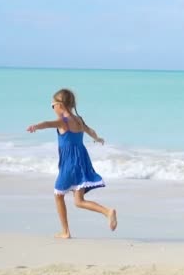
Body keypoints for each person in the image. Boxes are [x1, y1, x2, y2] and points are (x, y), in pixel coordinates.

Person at [27, 88, 117, 238]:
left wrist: (35, 126)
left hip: (69, 163)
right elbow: (90, 131)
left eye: (52, 105)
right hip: (82, 159)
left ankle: (65, 231)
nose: (52, 108)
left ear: (60, 105)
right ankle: (107, 212)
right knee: (79, 201)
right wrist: (98, 138)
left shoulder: (63, 121)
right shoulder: (78, 120)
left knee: (58, 194)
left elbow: (47, 123)